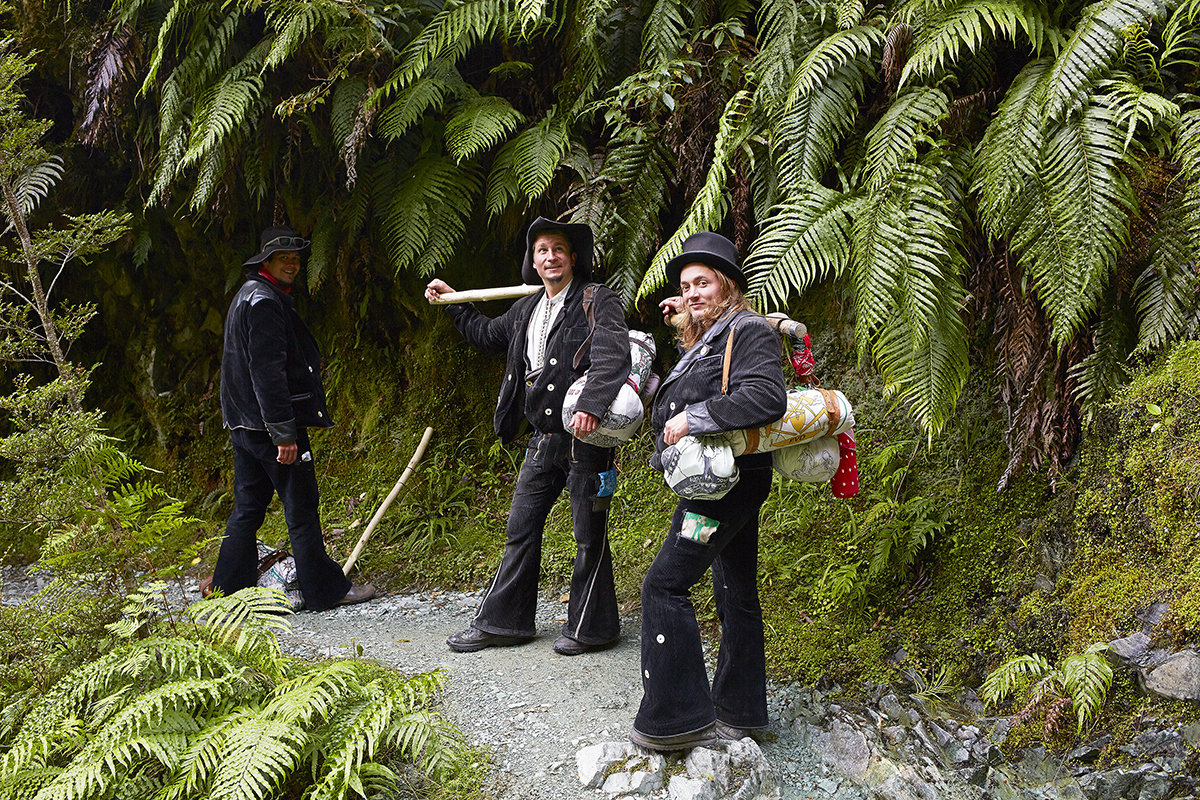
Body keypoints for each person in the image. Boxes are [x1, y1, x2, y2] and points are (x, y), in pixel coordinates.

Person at [424, 217, 631, 655]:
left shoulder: (598, 301)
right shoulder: (526, 308)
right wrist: (454, 304)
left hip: (586, 440)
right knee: (521, 526)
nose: (550, 257)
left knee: (587, 533)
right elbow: (485, 334)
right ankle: (505, 623)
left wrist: (592, 405)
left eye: (558, 249)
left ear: (573, 258)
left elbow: (614, 354)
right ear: (532, 261)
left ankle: (592, 628)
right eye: (542, 251)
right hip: (543, 439)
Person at [630, 231, 787, 751]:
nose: (692, 292)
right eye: (685, 285)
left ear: (731, 286)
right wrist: (685, 314)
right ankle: (739, 711)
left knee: (664, 586)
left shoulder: (751, 331)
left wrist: (695, 418)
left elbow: (765, 395)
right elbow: (698, 376)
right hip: (729, 479)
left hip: (725, 487)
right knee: (735, 590)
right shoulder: (714, 335)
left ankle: (676, 720)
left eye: (704, 282)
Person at [212, 226, 375, 611]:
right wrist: (284, 433)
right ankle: (326, 591)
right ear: (265, 261)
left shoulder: (246, 296)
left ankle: (226, 592)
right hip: (270, 428)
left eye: (297, 258)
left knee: (248, 508)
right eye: (284, 257)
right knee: (301, 506)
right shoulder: (264, 302)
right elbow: (267, 373)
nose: (293, 263)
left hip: (244, 425)